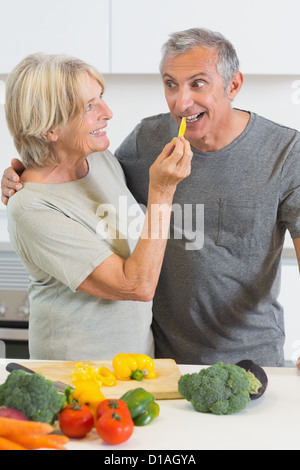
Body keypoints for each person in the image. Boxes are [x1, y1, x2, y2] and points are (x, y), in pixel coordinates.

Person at [2, 29, 300, 367]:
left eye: (198, 83)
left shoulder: (286, 153)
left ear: (233, 85)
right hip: (153, 360)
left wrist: (25, 171)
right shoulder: (145, 140)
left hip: (249, 355)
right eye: (170, 84)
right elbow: (60, 177)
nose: (181, 102)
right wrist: (21, 178)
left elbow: (71, 171)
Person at [2, 52, 192, 361]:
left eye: (101, 97)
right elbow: (136, 286)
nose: (108, 112)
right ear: (50, 128)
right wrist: (163, 190)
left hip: (134, 364)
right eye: (90, 106)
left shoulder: (100, 160)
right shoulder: (31, 208)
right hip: (77, 376)